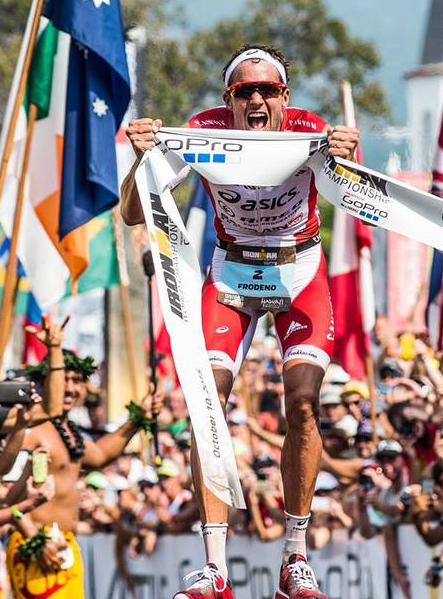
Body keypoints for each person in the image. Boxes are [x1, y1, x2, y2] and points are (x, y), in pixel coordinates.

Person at [120, 43, 361, 599]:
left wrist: (347, 154)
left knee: (301, 401)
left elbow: (352, 197)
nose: (256, 100)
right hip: (231, 275)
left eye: (267, 90)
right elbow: (134, 212)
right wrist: (142, 158)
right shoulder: (202, 132)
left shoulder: (310, 128)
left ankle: (295, 558)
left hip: (298, 270)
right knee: (206, 402)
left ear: (285, 97)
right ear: (228, 100)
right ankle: (214, 568)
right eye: (243, 91)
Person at [6, 318, 163, 599]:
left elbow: (101, 453)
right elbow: (5, 494)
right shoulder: (29, 427)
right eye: (63, 378)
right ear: (45, 381)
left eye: (77, 380)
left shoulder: (68, 430)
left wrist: (138, 417)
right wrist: (34, 538)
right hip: (36, 545)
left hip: (64, 544)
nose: (69, 388)